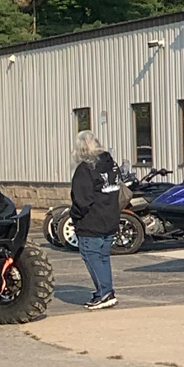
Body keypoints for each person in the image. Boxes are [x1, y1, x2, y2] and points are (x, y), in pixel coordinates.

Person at [69, 129, 122, 308]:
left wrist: (74, 217)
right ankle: (106, 291)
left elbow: (82, 200)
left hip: (91, 222)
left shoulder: (85, 169)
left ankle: (104, 293)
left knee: (92, 256)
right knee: (103, 257)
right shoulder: (112, 165)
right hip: (111, 217)